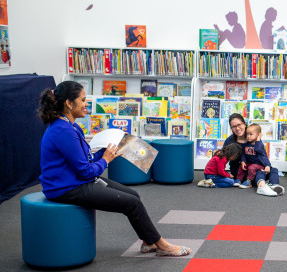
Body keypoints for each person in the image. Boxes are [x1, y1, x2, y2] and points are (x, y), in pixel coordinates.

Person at [37, 81, 190, 257]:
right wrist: (105, 160)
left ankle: (149, 242)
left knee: (134, 196)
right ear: (69, 103)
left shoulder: (70, 125)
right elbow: (86, 171)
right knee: (132, 204)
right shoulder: (63, 130)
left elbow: (83, 160)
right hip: (66, 188)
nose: (87, 104)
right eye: (83, 99)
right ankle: (162, 245)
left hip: (76, 180)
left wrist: (106, 150)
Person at [239, 124, 284, 197]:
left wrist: (268, 166)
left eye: (251, 134)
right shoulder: (246, 145)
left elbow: (263, 155)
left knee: (274, 170)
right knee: (260, 173)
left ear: (258, 135)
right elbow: (243, 154)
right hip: (254, 170)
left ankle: (274, 185)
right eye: (247, 134)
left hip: (262, 166)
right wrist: (243, 161)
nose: (248, 136)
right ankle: (261, 185)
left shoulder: (260, 145)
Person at [222, 113, 248, 182]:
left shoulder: (253, 137)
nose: (237, 128)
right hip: (237, 169)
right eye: (233, 127)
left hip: (253, 166)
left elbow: (261, 154)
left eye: (239, 125)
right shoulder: (229, 141)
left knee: (273, 170)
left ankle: (274, 186)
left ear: (244, 124)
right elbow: (222, 158)